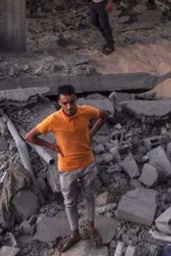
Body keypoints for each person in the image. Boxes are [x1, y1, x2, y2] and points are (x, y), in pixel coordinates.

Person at [25, 85, 109, 251]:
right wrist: (51, 145)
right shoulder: (53, 119)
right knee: (70, 203)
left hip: (87, 163)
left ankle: (91, 227)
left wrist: (91, 134)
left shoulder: (86, 111)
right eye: (65, 103)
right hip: (67, 168)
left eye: (71, 102)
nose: (69, 106)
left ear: (76, 99)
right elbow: (30, 136)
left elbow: (104, 115)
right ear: (59, 102)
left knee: (89, 196)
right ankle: (74, 233)